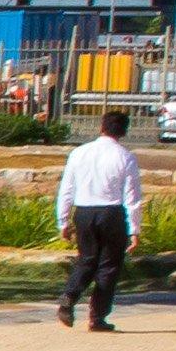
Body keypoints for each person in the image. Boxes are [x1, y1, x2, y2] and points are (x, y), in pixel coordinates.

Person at [58, 109, 146, 330]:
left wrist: (64, 220)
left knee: (86, 259)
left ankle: (69, 296)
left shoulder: (79, 153)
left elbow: (67, 188)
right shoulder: (125, 157)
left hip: (84, 211)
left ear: (101, 127)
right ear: (124, 132)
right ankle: (97, 317)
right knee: (109, 265)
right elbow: (132, 196)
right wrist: (134, 228)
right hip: (111, 213)